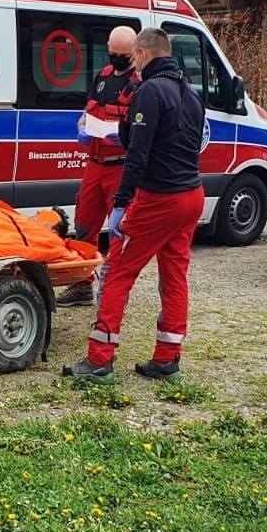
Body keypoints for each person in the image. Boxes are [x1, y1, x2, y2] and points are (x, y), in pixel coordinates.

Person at [63, 28, 203, 383]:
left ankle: (99, 359)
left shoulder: (149, 91)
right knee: (174, 276)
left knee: (117, 270)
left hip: (160, 197)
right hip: (192, 194)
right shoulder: (191, 94)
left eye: (133, 57)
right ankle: (168, 357)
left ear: (141, 54)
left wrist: (122, 203)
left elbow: (137, 155)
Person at [57, 26, 140, 306]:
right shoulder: (102, 77)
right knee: (84, 225)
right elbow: (87, 111)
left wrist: (126, 137)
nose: (116, 59)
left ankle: (115, 293)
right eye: (113, 53)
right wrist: (81, 127)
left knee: (119, 233)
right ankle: (83, 285)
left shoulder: (141, 84)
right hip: (94, 163)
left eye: (122, 55)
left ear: (134, 52)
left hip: (120, 166)